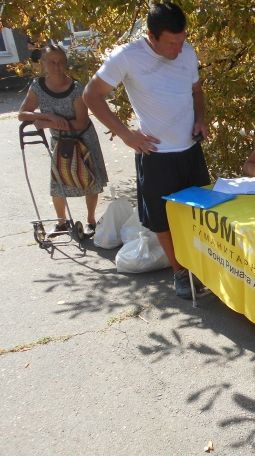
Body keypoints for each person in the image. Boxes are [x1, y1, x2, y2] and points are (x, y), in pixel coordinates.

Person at [83, 2, 210, 300]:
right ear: (151, 36)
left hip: (190, 151)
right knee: (162, 221)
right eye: (171, 43)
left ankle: (203, 268)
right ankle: (180, 272)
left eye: (182, 41)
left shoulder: (187, 51)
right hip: (156, 155)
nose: (178, 49)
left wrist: (200, 119)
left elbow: (196, 91)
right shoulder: (127, 56)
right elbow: (91, 95)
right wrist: (127, 135)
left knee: (200, 214)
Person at [18, 44, 108, 238]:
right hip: (60, 141)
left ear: (66, 63)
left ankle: (91, 221)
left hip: (83, 138)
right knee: (58, 183)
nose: (57, 66)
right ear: (43, 63)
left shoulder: (76, 88)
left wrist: (49, 123)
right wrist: (46, 116)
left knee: (89, 180)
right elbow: (22, 114)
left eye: (60, 62)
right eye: (52, 62)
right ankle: (61, 223)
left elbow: (81, 122)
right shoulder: (37, 86)